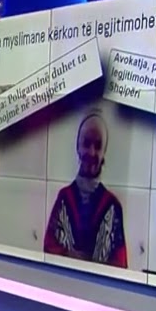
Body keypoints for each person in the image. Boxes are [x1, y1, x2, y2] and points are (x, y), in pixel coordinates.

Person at [43, 110, 128, 268]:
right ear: (77, 147)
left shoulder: (113, 206)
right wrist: (68, 256)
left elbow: (120, 265)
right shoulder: (64, 198)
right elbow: (48, 249)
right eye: (86, 143)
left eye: (98, 146)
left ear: (104, 153)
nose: (91, 152)